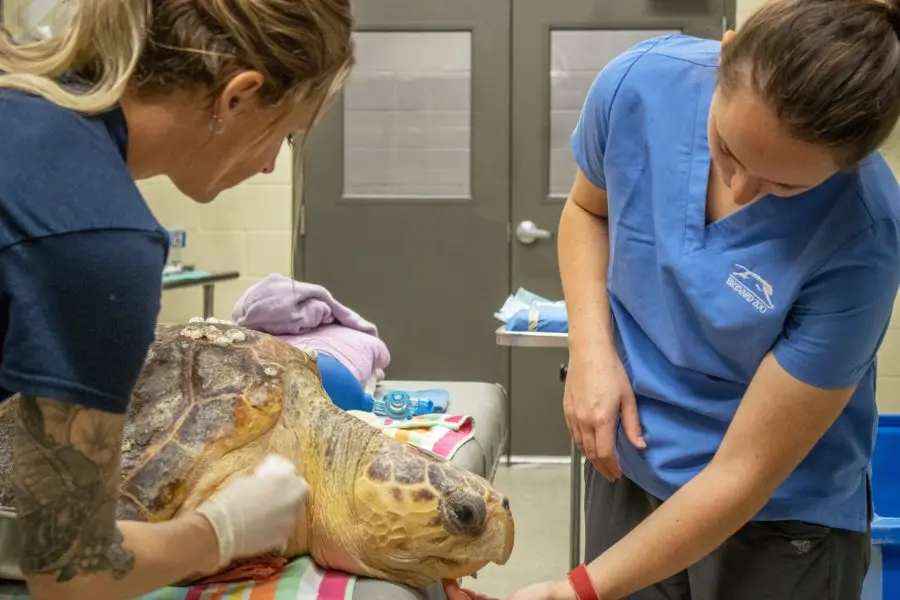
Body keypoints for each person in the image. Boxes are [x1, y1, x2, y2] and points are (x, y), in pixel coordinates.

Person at [444, 0, 900, 598]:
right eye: (727, 148)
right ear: (727, 53)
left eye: (784, 186)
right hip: (634, 458)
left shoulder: (862, 235)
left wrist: (573, 590)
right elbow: (587, 210)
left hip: (780, 517)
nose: (739, 189)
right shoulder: (640, 86)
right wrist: (592, 350)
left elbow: (744, 473)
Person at [0, 0, 353, 598]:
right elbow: (70, 572)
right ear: (237, 96)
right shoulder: (98, 235)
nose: (269, 166)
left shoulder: (24, 114)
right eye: (286, 135)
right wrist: (222, 530)